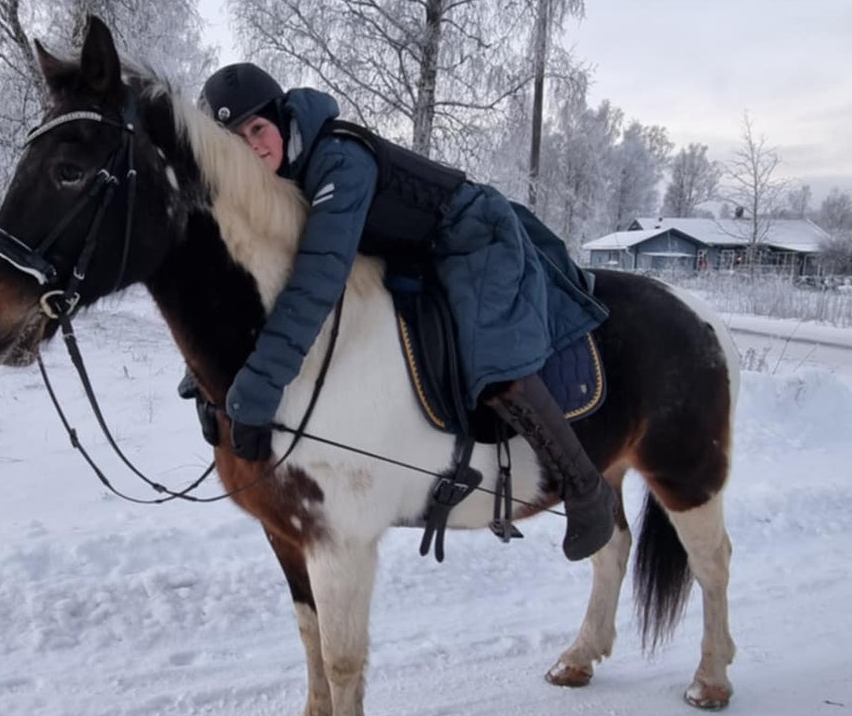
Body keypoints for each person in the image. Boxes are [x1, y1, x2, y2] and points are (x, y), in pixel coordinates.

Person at [198, 61, 617, 560]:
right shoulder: (280, 175)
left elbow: (316, 282)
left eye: (257, 128)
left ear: (282, 119)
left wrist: (260, 388)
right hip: (409, 253)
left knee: (492, 353)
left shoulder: (338, 158)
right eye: (235, 139)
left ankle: (586, 488)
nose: (251, 146)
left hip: (471, 234)